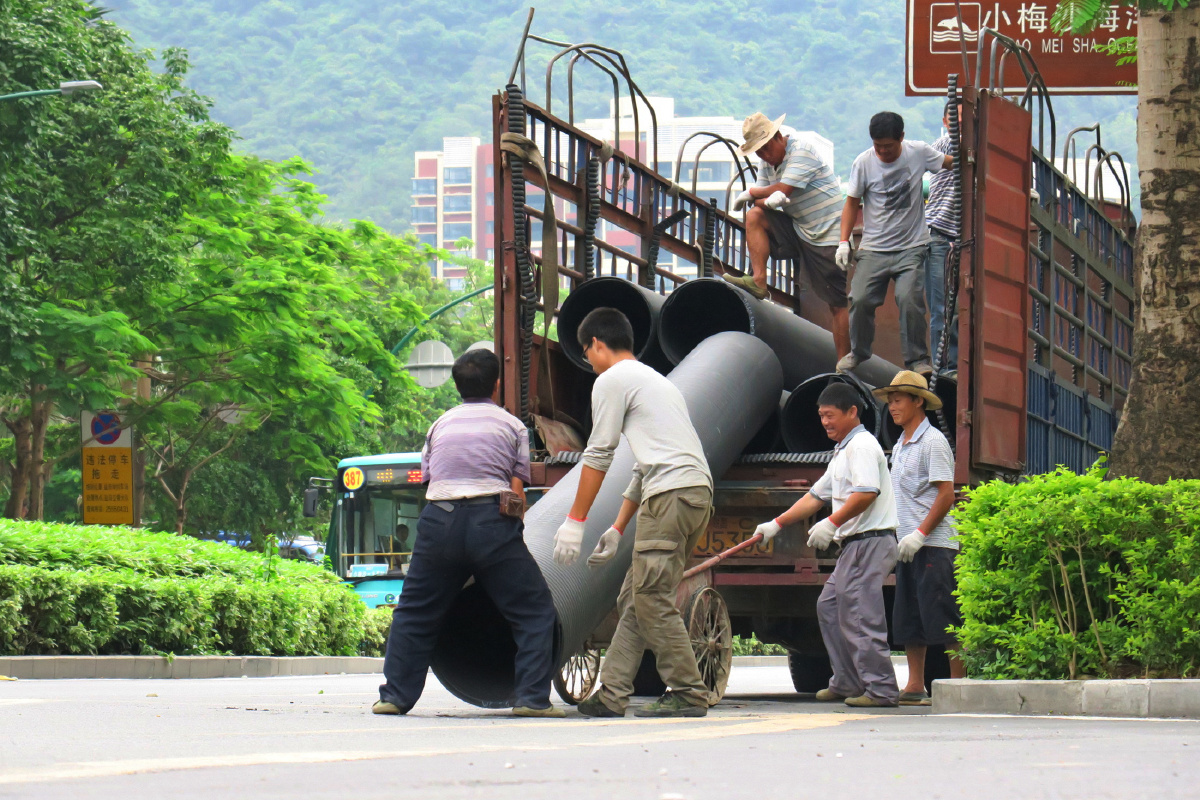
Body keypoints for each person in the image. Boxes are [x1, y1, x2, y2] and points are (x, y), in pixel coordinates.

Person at [374, 348, 562, 718]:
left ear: (457, 386)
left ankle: (394, 696)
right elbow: (516, 485)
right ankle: (531, 699)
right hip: (489, 521)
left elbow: (429, 478)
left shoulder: (439, 424)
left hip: (437, 520)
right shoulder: (511, 426)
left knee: (414, 612)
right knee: (534, 610)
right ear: (496, 385)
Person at [552, 307, 714, 719]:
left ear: (597, 344)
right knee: (635, 596)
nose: (587, 361)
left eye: (586, 351)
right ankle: (613, 693)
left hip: (671, 494)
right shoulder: (658, 382)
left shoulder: (612, 380)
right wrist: (618, 526)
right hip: (693, 494)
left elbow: (599, 452)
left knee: (651, 597)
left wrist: (576, 521)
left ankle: (689, 691)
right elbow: (644, 466)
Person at [751, 382, 900, 707]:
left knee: (860, 612)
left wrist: (832, 522)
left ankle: (881, 689)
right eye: (821, 416)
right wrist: (777, 524)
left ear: (852, 412)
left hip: (870, 541)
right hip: (855, 545)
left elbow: (866, 492)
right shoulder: (842, 452)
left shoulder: (861, 446)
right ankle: (846, 681)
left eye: (830, 415)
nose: (825, 422)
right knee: (830, 605)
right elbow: (814, 497)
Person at [835, 111, 953, 377]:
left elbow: (952, 163)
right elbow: (851, 202)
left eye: (888, 146)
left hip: (911, 247)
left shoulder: (919, 152)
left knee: (909, 299)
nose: (883, 152)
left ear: (901, 137)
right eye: (878, 146)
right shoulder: (863, 163)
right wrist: (844, 241)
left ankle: (917, 360)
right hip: (874, 247)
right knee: (861, 298)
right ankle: (859, 351)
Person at [726, 112, 851, 360]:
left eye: (765, 148)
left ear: (778, 137)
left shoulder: (801, 151)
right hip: (798, 227)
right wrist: (759, 196)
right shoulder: (766, 161)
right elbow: (764, 200)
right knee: (754, 216)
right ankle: (759, 280)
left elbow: (782, 190)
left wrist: (752, 191)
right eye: (758, 152)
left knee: (836, 304)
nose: (763, 155)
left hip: (826, 233)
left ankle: (844, 364)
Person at [872, 370, 965, 705]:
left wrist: (921, 533)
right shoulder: (900, 443)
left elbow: (945, 495)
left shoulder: (933, 442)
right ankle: (914, 685)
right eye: (890, 401)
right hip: (908, 544)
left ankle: (958, 688)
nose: (892, 407)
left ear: (918, 401)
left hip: (934, 545)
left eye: (898, 400)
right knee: (909, 616)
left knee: (944, 615)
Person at [924, 103, 961, 379]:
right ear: (945, 121)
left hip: (959, 238)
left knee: (955, 306)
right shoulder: (945, 143)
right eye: (955, 117)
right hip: (939, 233)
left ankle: (954, 364)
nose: (960, 122)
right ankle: (945, 368)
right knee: (941, 307)